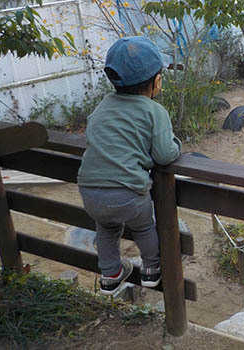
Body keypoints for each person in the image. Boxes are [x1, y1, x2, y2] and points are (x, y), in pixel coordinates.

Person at [77, 36, 182, 295]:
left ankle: (110, 274)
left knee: (106, 227)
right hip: (127, 194)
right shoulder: (154, 112)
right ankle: (151, 269)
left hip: (90, 193)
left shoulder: (102, 107)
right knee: (144, 225)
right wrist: (176, 143)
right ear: (157, 82)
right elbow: (165, 154)